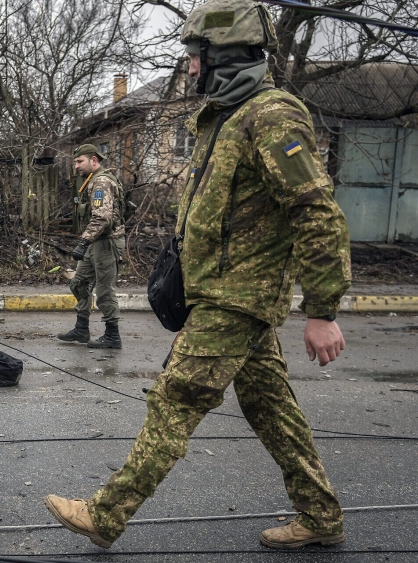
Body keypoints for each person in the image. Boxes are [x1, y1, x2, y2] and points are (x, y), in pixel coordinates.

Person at [44, 0, 352, 551]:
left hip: (239, 296)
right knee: (269, 406)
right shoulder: (226, 119)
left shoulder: (273, 116)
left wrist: (323, 311)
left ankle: (106, 514)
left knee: (176, 398)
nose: (189, 68)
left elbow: (317, 211)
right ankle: (321, 515)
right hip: (224, 293)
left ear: (227, 56)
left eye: (195, 56)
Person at [57, 144, 125, 349]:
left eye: (80, 161)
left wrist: (83, 241)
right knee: (78, 283)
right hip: (95, 242)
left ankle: (113, 336)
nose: (76, 166)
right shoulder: (91, 180)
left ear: (93, 160)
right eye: (75, 162)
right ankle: (81, 328)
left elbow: (102, 218)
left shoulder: (101, 182)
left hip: (106, 242)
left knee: (104, 290)